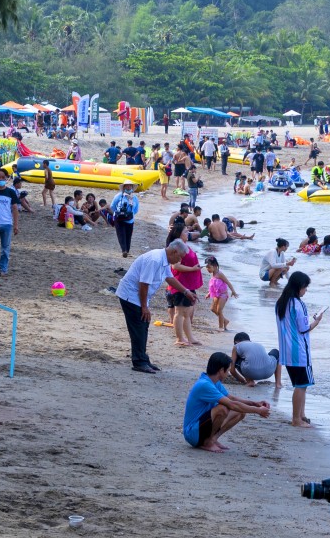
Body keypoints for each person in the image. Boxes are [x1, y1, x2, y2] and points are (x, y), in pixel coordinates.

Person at [117, 241, 186, 374]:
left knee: (143, 324)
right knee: (138, 327)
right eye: (180, 257)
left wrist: (186, 292)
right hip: (130, 295)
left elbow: (169, 278)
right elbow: (143, 283)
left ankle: (143, 358)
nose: (180, 260)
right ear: (174, 252)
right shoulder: (154, 259)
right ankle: (139, 362)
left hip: (139, 296)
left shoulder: (164, 259)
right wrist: (144, 307)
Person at [183, 352, 269, 451]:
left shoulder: (214, 382)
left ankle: (213, 439)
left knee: (240, 411)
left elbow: (231, 398)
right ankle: (208, 442)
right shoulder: (204, 384)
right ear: (221, 370)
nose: (228, 374)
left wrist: (255, 404)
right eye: (227, 370)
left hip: (201, 429)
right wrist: (258, 411)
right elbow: (231, 404)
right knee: (222, 408)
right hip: (192, 434)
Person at [275, 271, 324, 428]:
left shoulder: (281, 302)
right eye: (305, 287)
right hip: (299, 351)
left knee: (300, 384)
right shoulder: (298, 304)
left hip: (287, 351)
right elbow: (304, 329)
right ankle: (296, 418)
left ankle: (301, 415)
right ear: (299, 287)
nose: (306, 290)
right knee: (302, 385)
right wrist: (317, 321)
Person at [204, 256, 238, 331]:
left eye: (209, 267)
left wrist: (233, 291)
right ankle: (225, 321)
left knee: (219, 310)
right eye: (206, 267)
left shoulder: (220, 274)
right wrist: (209, 293)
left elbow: (228, 282)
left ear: (215, 266)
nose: (207, 269)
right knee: (213, 309)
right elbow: (213, 286)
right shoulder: (213, 274)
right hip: (216, 294)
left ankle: (221, 327)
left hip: (223, 294)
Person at [110, 181, 139, 257]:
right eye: (127, 186)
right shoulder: (119, 196)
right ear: (124, 187)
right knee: (121, 235)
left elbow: (136, 209)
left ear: (132, 187)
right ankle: (124, 250)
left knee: (128, 235)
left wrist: (129, 214)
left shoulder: (135, 198)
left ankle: (127, 251)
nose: (128, 187)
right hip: (119, 219)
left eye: (130, 186)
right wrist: (119, 213)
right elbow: (112, 206)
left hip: (130, 219)